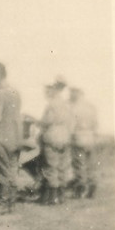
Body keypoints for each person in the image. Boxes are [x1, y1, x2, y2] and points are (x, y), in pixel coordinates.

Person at [0, 62, 22, 213]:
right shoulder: (15, 93)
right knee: (12, 169)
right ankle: (11, 204)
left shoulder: (0, 94)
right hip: (15, 137)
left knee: (2, 171)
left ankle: (2, 204)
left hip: (1, 137)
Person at [39, 76, 75, 204]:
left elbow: (47, 121)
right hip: (64, 136)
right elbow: (72, 123)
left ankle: (53, 197)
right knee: (62, 167)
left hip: (53, 135)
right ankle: (61, 196)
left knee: (51, 166)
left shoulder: (51, 104)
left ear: (54, 89)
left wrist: (40, 124)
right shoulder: (66, 104)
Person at [69, 87, 99, 198]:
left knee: (79, 164)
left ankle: (80, 189)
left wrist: (70, 137)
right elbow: (96, 124)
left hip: (79, 136)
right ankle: (92, 185)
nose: (71, 95)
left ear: (76, 93)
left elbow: (71, 126)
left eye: (72, 93)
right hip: (90, 137)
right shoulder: (91, 107)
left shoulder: (74, 108)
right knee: (91, 164)